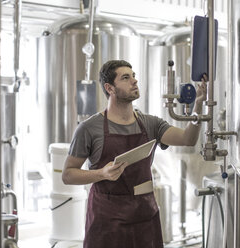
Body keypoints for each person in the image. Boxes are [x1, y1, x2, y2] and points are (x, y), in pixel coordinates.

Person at [62, 60, 207, 248]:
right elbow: (68, 174)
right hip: (107, 223)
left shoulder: (150, 124)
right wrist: (101, 174)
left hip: (144, 219)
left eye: (134, 76)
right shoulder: (89, 128)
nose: (134, 81)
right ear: (110, 88)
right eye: (125, 78)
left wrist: (198, 106)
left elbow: (188, 139)